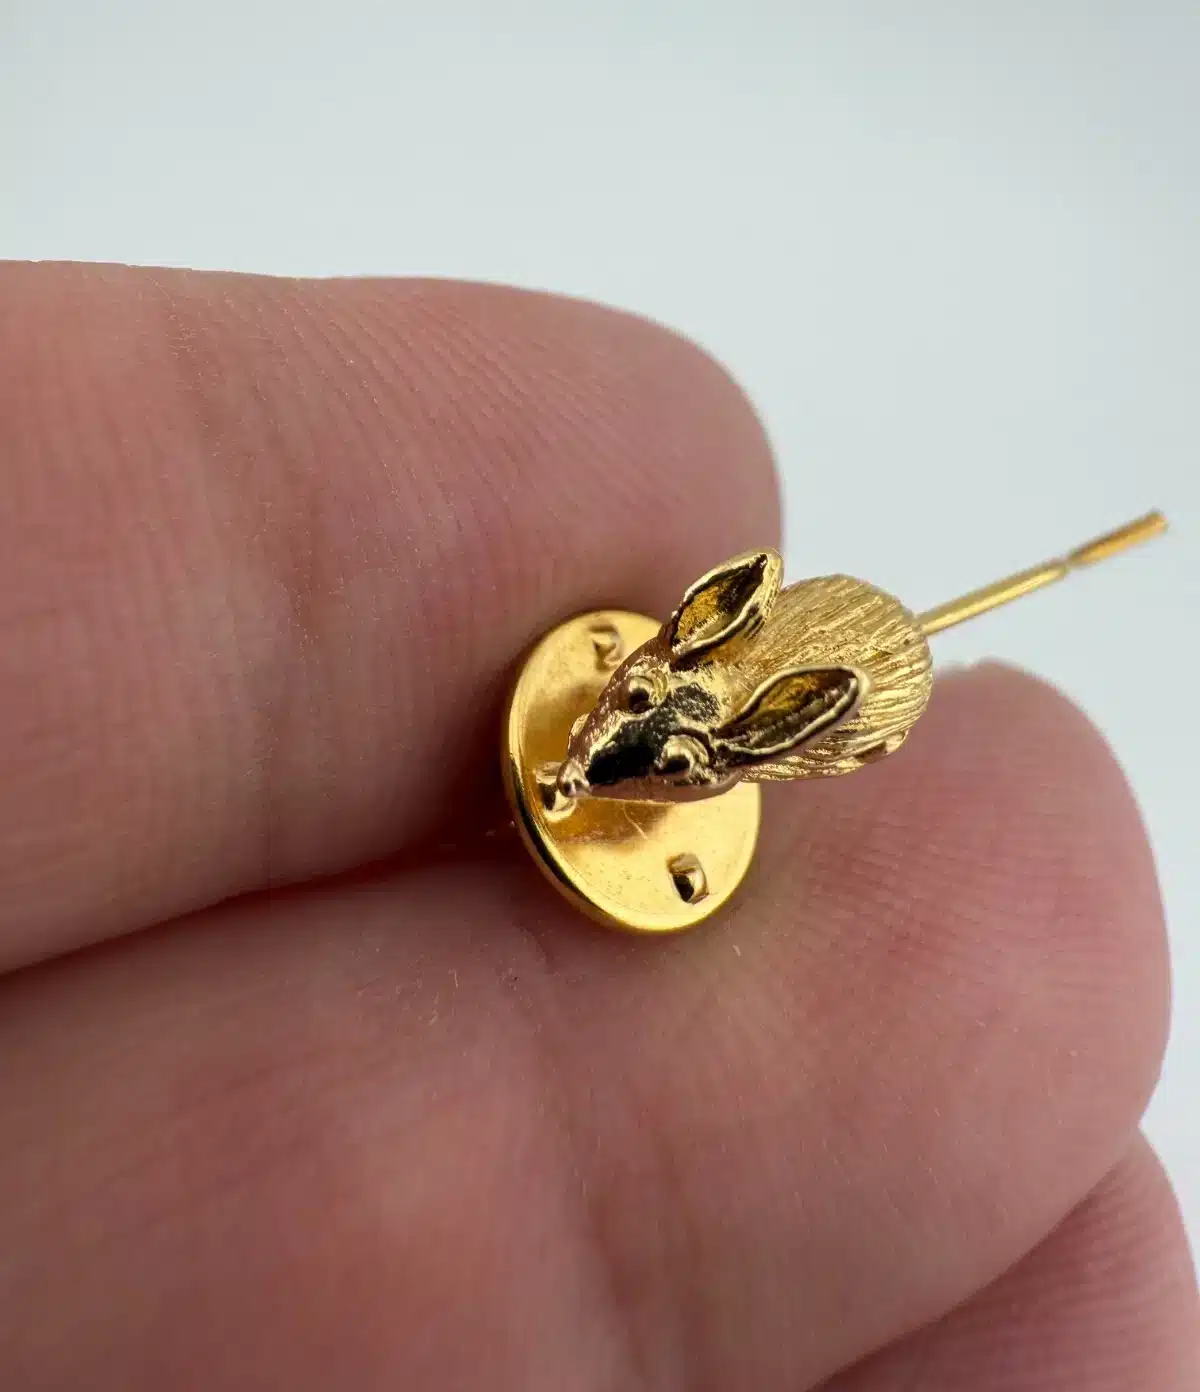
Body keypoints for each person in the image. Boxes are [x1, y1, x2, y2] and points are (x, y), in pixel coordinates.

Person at [0, 262, 1194, 1389]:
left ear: (738, 761)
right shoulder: (648, 675)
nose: (597, 754)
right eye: (627, 705)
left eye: (667, 760)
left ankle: (1105, 547)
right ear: (667, 649)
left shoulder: (760, 748)